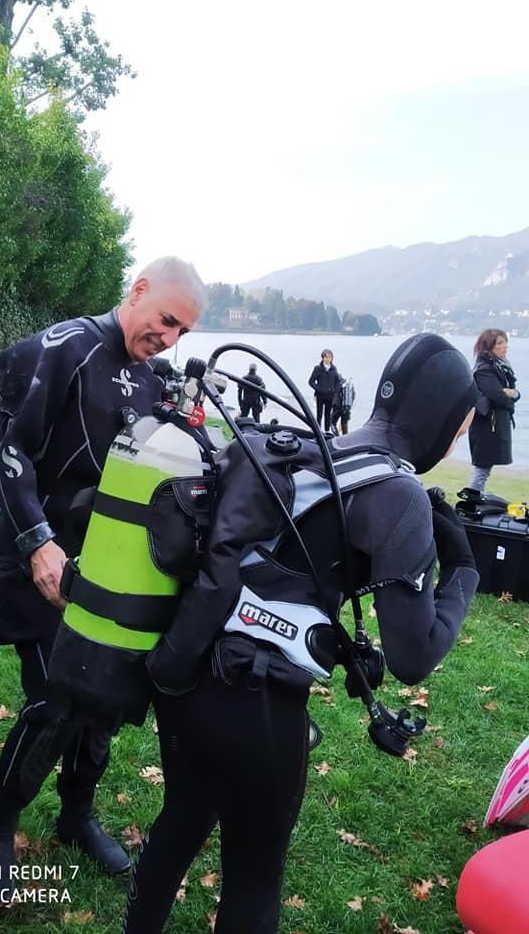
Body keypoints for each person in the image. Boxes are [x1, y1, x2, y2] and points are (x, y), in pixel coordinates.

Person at [121, 333, 479, 934]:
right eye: (464, 424)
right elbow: (414, 656)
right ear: (443, 420)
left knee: (180, 820)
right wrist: (462, 572)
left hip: (187, 671)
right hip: (258, 711)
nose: (463, 435)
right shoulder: (400, 496)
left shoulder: (312, 451)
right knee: (254, 883)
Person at [0, 256, 205, 904]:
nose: (170, 339)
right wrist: (36, 543)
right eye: (166, 320)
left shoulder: (155, 376)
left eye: (183, 331)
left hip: (111, 573)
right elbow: (9, 450)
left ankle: (76, 815)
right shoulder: (59, 350)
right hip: (38, 564)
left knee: (103, 703)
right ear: (137, 292)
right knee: (53, 702)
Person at [467, 328, 520, 492]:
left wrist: (514, 394)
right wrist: (509, 397)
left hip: (493, 424)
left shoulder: (499, 366)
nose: (505, 346)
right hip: (487, 426)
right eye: (500, 343)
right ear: (488, 346)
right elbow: (497, 395)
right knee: (482, 468)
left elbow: (510, 391)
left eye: (505, 342)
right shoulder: (484, 369)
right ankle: (472, 502)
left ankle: (475, 500)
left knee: (484, 468)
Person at [308, 349, 343, 432]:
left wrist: (333, 390)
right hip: (320, 395)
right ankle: (318, 431)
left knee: (328, 415)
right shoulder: (318, 368)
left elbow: (338, 382)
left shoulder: (334, 369)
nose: (327, 359)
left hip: (330, 396)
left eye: (329, 357)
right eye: (326, 357)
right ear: (323, 358)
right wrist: (319, 389)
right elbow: (311, 381)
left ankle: (327, 431)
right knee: (319, 414)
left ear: (331, 358)